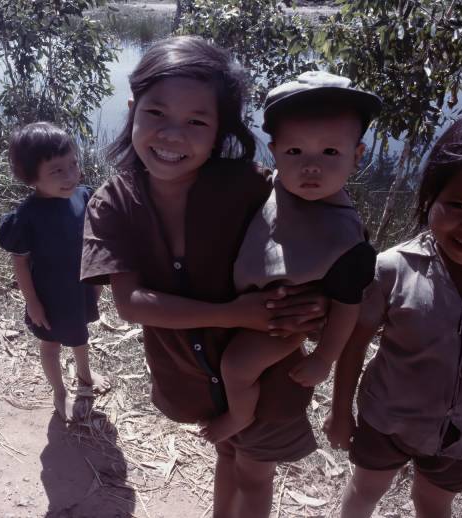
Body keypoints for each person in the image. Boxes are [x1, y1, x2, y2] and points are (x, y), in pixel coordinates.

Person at [81, 36, 327, 518]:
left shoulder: (253, 189)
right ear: (133, 109)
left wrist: (319, 303)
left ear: (220, 131)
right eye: (156, 114)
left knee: (255, 473)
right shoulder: (112, 203)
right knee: (228, 454)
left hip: (267, 376)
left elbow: (328, 249)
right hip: (191, 381)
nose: (173, 136)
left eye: (197, 122)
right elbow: (130, 304)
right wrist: (232, 314)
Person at [324, 109, 462, 518]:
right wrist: (340, 412)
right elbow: (354, 342)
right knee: (364, 489)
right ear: (431, 197)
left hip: (461, 436)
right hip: (383, 417)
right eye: (458, 205)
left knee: (433, 503)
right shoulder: (392, 268)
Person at [202, 71, 380, 443]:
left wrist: (322, 359)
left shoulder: (346, 240)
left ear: (357, 155)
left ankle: (238, 416)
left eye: (330, 152)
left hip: (282, 323)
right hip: (247, 302)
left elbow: (348, 307)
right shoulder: (274, 186)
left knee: (236, 366)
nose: (310, 166)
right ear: (274, 151)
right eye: (294, 152)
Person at [0, 121, 109, 422]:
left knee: (80, 334)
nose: (70, 176)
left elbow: (94, 239)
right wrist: (32, 302)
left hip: (80, 287)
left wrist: (97, 284)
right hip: (49, 294)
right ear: (31, 177)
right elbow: (19, 262)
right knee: (51, 343)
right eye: (57, 171)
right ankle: (59, 391)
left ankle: (85, 376)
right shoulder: (27, 216)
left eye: (73, 164)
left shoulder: (83, 196)